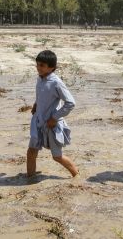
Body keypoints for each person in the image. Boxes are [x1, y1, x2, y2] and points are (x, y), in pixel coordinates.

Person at [27, 50, 79, 179]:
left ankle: (77, 176)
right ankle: (30, 178)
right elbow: (42, 95)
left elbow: (70, 103)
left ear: (51, 68)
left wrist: (54, 118)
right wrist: (36, 104)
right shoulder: (40, 79)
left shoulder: (56, 82)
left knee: (57, 156)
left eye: (42, 65)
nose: (38, 68)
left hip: (51, 125)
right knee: (31, 151)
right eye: (37, 64)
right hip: (38, 120)